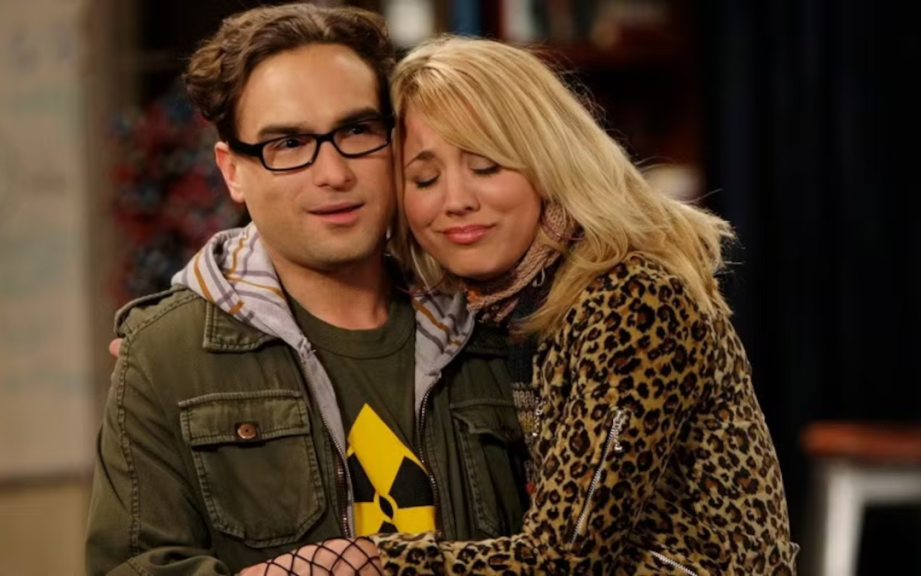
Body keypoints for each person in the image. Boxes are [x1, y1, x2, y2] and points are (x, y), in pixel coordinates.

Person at [248, 36, 800, 575]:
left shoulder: (634, 297)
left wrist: (371, 561)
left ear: (549, 163)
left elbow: (567, 556)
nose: (456, 201)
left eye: (486, 167)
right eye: (425, 178)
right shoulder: (501, 301)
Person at [85, 10, 531, 576]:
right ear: (233, 171)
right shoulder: (164, 356)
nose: (333, 173)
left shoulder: (496, 326)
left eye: (356, 131)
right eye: (290, 143)